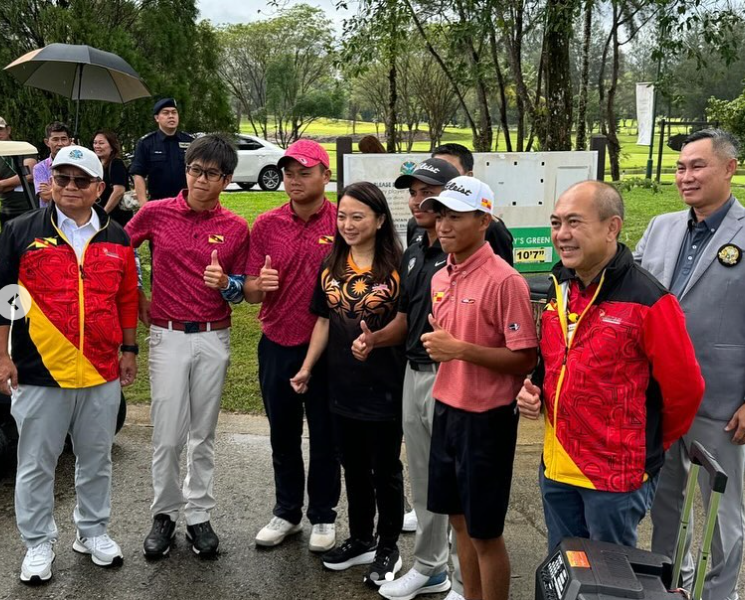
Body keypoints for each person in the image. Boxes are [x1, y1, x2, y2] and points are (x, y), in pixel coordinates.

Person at [517, 180, 705, 555]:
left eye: (574, 222)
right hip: (556, 465)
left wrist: (643, 445)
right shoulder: (559, 287)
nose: (562, 235)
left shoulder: (650, 301)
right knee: (564, 572)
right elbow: (554, 362)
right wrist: (534, 390)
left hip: (615, 478)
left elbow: (686, 391)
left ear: (611, 227)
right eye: (556, 224)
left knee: (610, 582)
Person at [0, 145, 139, 583]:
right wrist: (1, 356)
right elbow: (5, 299)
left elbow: (126, 298)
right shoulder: (22, 231)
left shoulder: (117, 236)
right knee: (36, 463)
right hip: (40, 370)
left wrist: (130, 349)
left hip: (100, 370)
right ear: (51, 183)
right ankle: (38, 543)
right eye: (62, 179)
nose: (70, 187)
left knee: (96, 458)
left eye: (81, 181)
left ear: (99, 188)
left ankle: (92, 532)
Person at [125, 134, 249, 559]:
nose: (200, 179)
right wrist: (138, 291)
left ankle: (198, 515)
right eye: (195, 170)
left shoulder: (235, 227)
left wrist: (227, 283)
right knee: (167, 435)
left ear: (226, 180)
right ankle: (165, 513)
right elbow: (121, 251)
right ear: (186, 170)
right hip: (167, 334)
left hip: (214, 334)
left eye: (210, 174)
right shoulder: (156, 213)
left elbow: (244, 289)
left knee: (203, 433)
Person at [634, 128, 745, 600]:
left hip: (722, 401)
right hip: (662, 395)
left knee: (722, 513)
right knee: (664, 502)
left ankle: (720, 592)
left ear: (729, 168)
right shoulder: (662, 226)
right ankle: (667, 583)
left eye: (697, 165)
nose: (686, 176)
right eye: (680, 167)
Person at [416, 176, 537, 600]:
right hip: (447, 409)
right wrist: (449, 349)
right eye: (441, 214)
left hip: (486, 420)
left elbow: (525, 358)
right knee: (458, 521)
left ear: (483, 220)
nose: (443, 225)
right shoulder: (439, 277)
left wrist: (461, 349)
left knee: (485, 533)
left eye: (456, 216)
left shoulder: (505, 281)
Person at [290, 181, 406, 587]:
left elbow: (405, 322)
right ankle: (361, 538)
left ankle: (388, 544)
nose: (348, 224)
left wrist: (374, 340)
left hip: (385, 386)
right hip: (340, 385)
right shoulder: (331, 264)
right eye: (342, 216)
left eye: (358, 216)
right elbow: (323, 320)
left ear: (378, 219)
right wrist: (307, 367)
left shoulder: (398, 267)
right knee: (353, 467)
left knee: (385, 469)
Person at [240, 139, 341, 554]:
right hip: (277, 342)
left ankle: (323, 514)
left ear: (325, 175)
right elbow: (247, 290)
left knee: (325, 435)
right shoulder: (265, 224)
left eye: (304, 172)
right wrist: (256, 287)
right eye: (288, 173)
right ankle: (286, 511)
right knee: (282, 434)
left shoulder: (342, 221)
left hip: (329, 348)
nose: (294, 180)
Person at [405, 143, 513, 266]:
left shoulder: (489, 227)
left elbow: (502, 275)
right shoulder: (415, 224)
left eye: (449, 169)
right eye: (413, 193)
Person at [129, 98, 193, 205]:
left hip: (186, 203)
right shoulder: (146, 143)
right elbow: (138, 175)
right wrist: (144, 205)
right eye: (166, 113)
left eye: (174, 112)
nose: (171, 116)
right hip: (158, 203)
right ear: (157, 118)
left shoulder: (190, 142)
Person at [0, 117, 37, 227]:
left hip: (30, 206)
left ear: (8, 130)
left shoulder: (24, 147)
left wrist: (3, 184)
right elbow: (25, 176)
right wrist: (20, 179)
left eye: (0, 129)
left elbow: (30, 174)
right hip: (7, 209)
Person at [92, 130, 132, 227]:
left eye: (101, 143)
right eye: (95, 143)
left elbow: (119, 191)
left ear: (111, 146)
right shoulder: (98, 165)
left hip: (116, 218)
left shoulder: (116, 164)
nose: (97, 146)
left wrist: (104, 213)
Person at [32, 121, 71, 208]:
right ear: (47, 142)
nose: (60, 143)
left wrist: (52, 189)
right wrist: (69, 190)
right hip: (49, 217)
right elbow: (46, 197)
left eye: (64, 139)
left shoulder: (77, 165)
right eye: (55, 139)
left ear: (70, 141)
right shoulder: (40, 168)